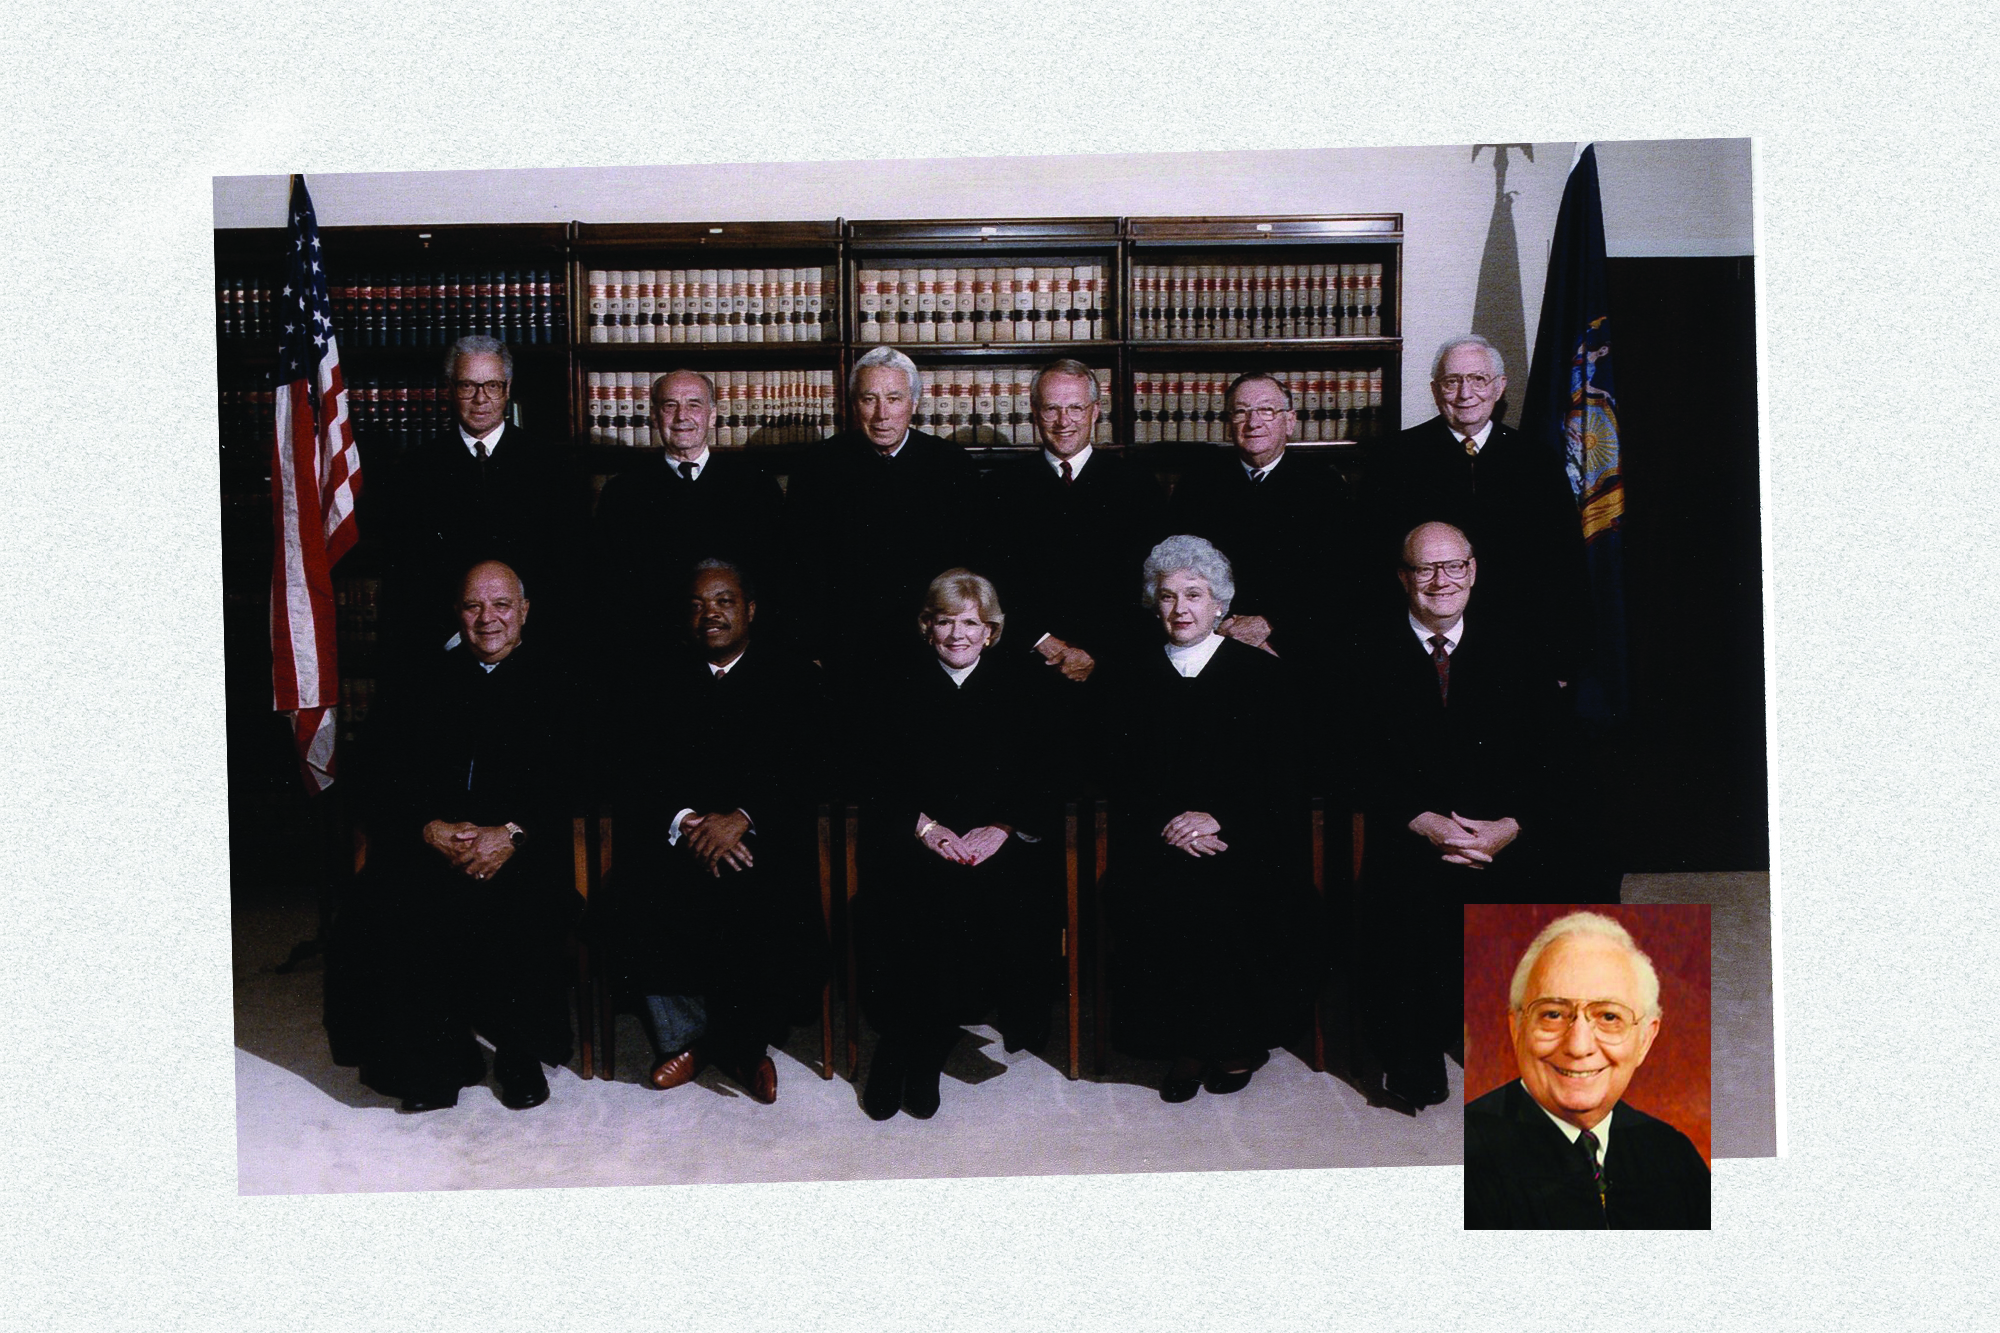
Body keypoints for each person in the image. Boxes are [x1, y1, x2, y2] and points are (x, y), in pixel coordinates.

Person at [328, 560, 580, 1112]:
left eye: (501, 605)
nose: (487, 619)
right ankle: (435, 1060)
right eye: (473, 606)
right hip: (437, 844)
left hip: (522, 846)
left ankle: (518, 1051)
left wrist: (512, 833)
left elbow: (579, 777)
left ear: (525, 611)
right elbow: (371, 773)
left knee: (524, 904)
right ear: (458, 614)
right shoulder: (426, 680)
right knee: (389, 900)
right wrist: (429, 827)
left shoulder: (563, 680)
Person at [1354, 521, 1573, 1111]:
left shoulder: (1516, 645)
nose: (1440, 581)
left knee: (1564, 865)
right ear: (1403, 578)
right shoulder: (1365, 650)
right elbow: (1350, 755)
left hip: (1499, 829)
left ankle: (1512, 1036)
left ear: (1473, 572)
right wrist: (1422, 821)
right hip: (1409, 826)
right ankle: (1413, 1049)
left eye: (1453, 567)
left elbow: (1552, 753)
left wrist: (1510, 826)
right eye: (1424, 569)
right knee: (1403, 897)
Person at [1100, 535, 1323, 1103]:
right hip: (1156, 836)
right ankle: (1186, 1044)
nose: (1181, 609)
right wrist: (1170, 822)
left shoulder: (1264, 676)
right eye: (1168, 596)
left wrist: (1219, 820)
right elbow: (1117, 771)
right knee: (1158, 894)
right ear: (1155, 603)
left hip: (1245, 837)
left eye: (1194, 595)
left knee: (1235, 894)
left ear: (1220, 604)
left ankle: (1232, 1041)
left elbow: (1284, 778)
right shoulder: (1128, 676)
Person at [597, 559, 826, 1105]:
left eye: (723, 601)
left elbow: (810, 767)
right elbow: (631, 769)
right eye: (698, 604)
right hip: (680, 837)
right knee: (636, 895)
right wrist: (686, 821)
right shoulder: (654, 678)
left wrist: (743, 818)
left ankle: (745, 1048)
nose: (710, 614)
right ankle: (691, 1040)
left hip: (762, 837)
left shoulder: (793, 675)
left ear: (749, 609)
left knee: (766, 897)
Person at [853, 569, 1059, 1121]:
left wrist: (1004, 828)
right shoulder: (892, 683)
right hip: (915, 836)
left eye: (971, 623)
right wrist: (924, 828)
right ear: (927, 627)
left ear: (991, 631)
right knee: (914, 895)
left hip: (995, 842)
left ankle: (923, 1050)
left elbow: (1043, 775)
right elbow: (873, 775)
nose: (957, 634)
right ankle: (899, 1044)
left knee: (984, 896)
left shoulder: (1023, 685)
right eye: (945, 622)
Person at [1365, 334, 1589, 682]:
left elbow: (1564, 568)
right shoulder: (1394, 458)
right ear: (1435, 390)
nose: (1465, 394)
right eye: (1452, 381)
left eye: (1477, 379)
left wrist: (1560, 660)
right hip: (1422, 649)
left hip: (1519, 648)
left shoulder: (1536, 461)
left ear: (1499, 387)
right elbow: (1373, 565)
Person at [1466, 911, 1710, 1229]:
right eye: (1553, 1014)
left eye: (1609, 1017)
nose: (1579, 1046)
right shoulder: (1465, 1156)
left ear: (1645, 1039)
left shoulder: (1673, 1155)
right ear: (1516, 1029)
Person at [374, 335, 589, 672]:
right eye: (467, 386)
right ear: (449, 388)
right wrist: (451, 639)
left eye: (491, 386)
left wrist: (527, 640)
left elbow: (569, 572)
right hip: (444, 651)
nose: (480, 399)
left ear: (507, 387)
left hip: (536, 651)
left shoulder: (552, 466)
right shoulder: (416, 470)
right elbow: (406, 577)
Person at [784, 346, 982, 685]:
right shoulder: (817, 467)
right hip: (845, 648)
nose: (881, 415)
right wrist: (810, 647)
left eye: (893, 399)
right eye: (869, 400)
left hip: (933, 647)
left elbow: (972, 564)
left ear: (914, 404)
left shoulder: (951, 465)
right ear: (853, 404)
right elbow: (800, 568)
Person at [982, 358, 1165, 690]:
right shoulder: (1001, 487)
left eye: (1076, 408)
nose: (1063, 421)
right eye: (1051, 409)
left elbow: (1150, 587)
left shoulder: (1137, 485)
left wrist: (1096, 653)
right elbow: (992, 582)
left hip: (1116, 666)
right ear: (1034, 412)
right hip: (1027, 663)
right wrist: (1043, 642)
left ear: (1095, 411)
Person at [593, 371, 789, 663]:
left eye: (694, 405)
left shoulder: (755, 486)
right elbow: (611, 590)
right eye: (670, 406)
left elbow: (777, 579)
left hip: (740, 657)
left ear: (712, 416)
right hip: (654, 654)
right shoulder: (622, 493)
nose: (682, 416)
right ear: (655, 417)